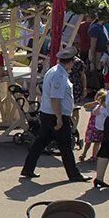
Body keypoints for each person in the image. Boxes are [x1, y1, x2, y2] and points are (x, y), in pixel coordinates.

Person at [20, 52, 87, 182]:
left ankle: (28, 169)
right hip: (55, 115)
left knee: (41, 142)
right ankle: (74, 174)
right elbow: (55, 99)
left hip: (48, 113)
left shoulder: (55, 71)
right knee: (65, 145)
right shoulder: (59, 76)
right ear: (70, 61)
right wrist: (60, 118)